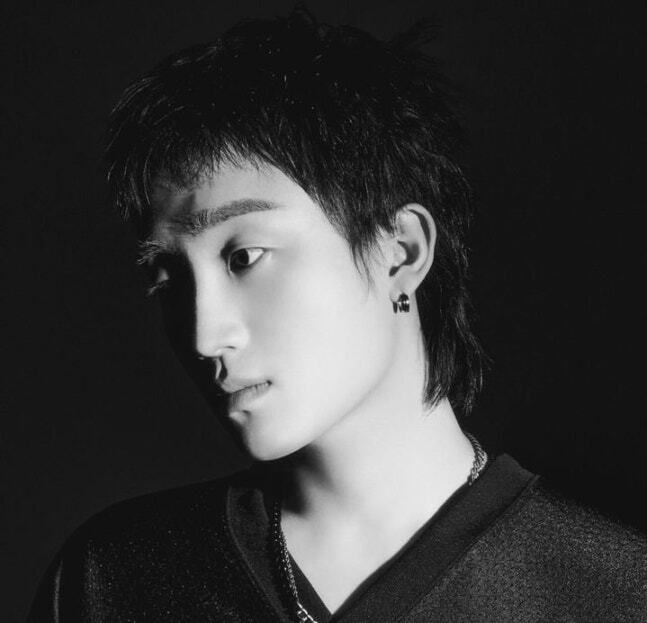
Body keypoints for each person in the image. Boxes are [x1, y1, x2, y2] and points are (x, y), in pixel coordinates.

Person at [29, 8, 647, 622]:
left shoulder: (613, 593)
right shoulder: (113, 579)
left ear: (400, 249)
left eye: (244, 257)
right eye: (168, 280)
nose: (204, 335)